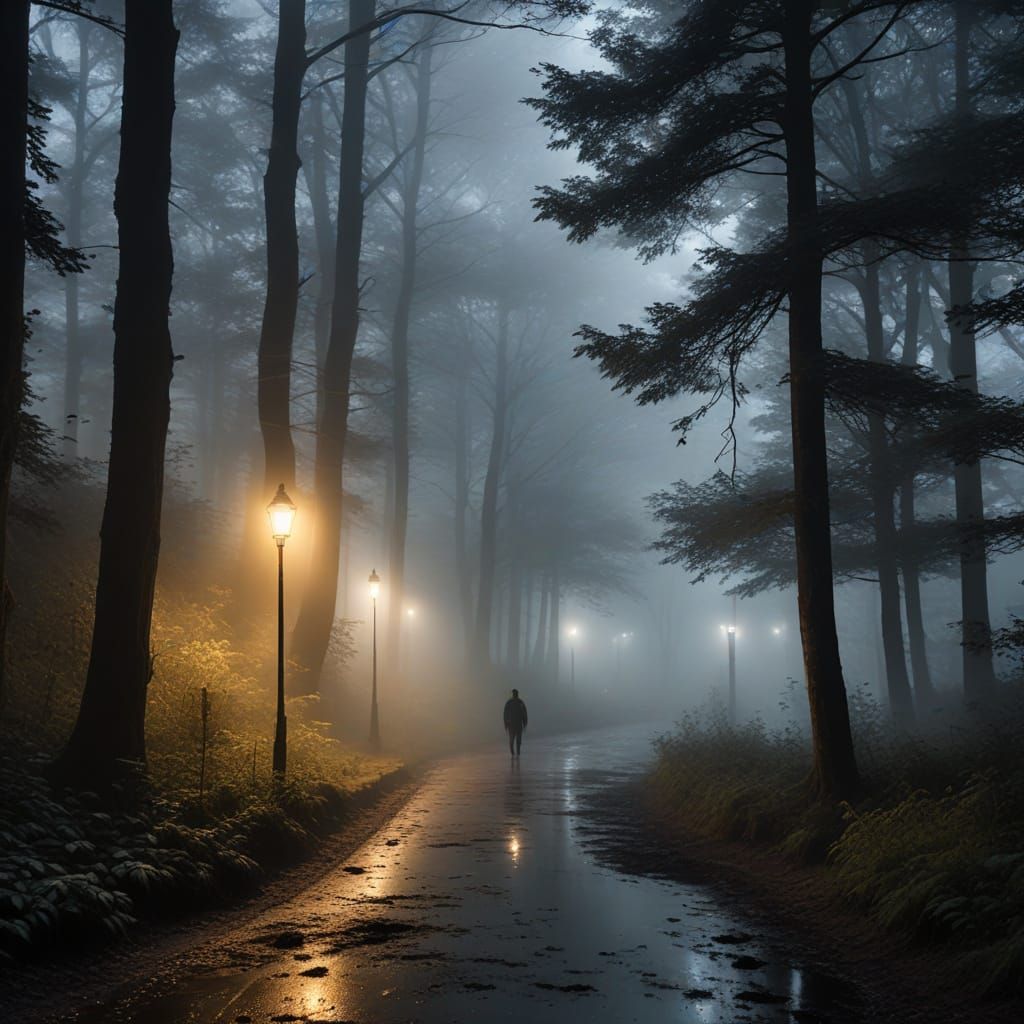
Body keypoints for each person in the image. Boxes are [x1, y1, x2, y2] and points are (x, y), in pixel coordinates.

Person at [503, 688, 528, 757]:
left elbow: (524, 713)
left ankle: (517, 752)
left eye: (515, 693)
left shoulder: (519, 702)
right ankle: (513, 753)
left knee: (517, 740)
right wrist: (506, 723)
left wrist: (525, 722)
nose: (515, 695)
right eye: (514, 693)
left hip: (516, 725)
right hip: (513, 725)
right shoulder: (511, 702)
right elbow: (505, 714)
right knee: (512, 740)